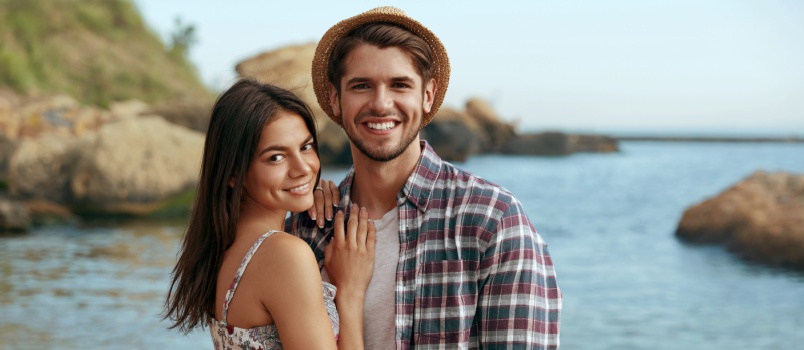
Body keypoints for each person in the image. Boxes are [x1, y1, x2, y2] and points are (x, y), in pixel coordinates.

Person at [288, 6, 562, 349]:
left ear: (427, 95)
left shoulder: (492, 220)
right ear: (335, 99)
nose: (381, 103)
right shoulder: (307, 226)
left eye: (399, 85)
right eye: (361, 86)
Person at [163, 79, 376, 349]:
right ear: (233, 173)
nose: (303, 168)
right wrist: (351, 292)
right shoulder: (284, 255)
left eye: (306, 147)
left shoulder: (224, 249)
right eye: (276, 157)